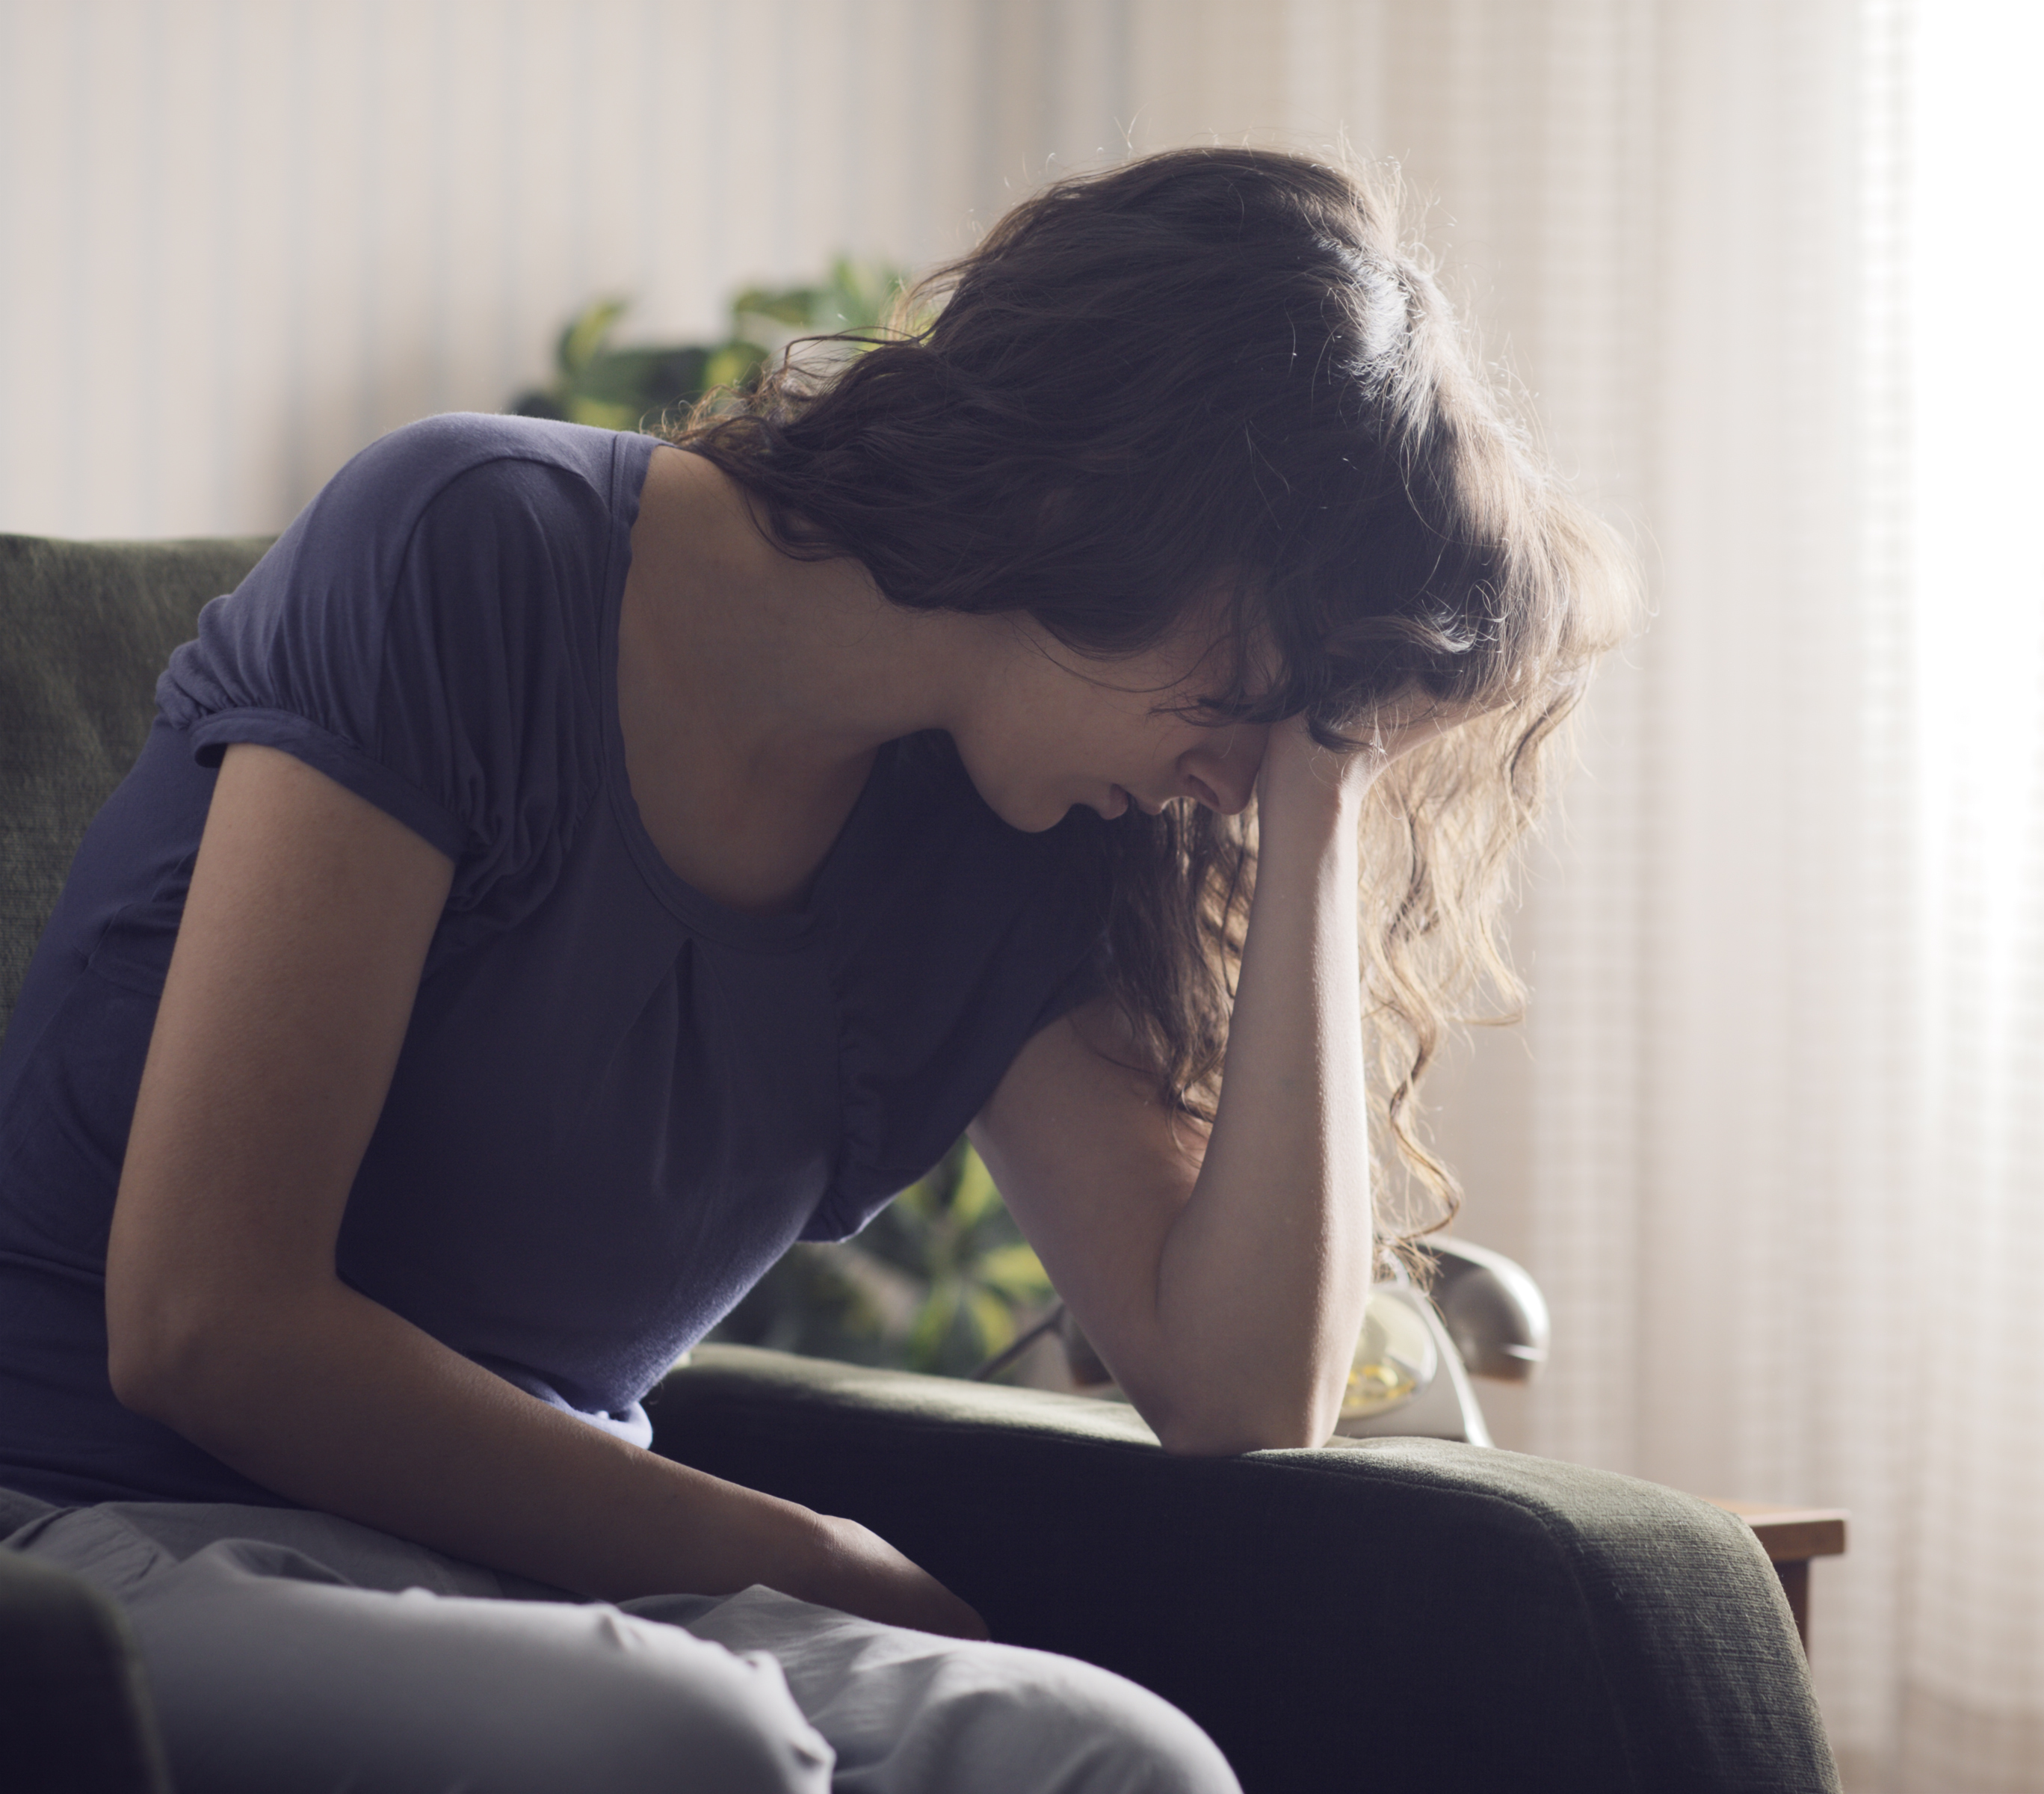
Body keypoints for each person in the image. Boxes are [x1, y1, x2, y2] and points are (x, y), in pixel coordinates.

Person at [0, 147, 1628, 1791]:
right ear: (1107, 508)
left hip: (544, 1591)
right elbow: (208, 1325)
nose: (1236, 775)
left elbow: (1236, 1389)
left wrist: (1322, 788)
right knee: (690, 1745)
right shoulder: (465, 549)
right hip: (101, 1529)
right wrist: (825, 1559)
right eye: (1255, 688)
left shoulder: (1023, 839)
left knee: (1119, 1761)